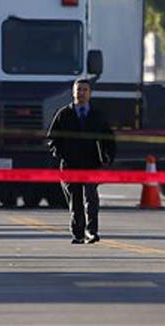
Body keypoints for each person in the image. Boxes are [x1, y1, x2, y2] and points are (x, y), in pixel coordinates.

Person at [47, 78, 116, 244]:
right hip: (70, 166)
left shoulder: (97, 115)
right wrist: (60, 153)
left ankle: (91, 231)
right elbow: (52, 139)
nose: (81, 93)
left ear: (90, 93)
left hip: (91, 164)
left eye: (85, 90)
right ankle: (78, 233)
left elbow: (108, 138)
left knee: (91, 199)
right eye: (79, 90)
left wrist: (107, 157)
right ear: (73, 92)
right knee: (75, 200)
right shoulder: (64, 114)